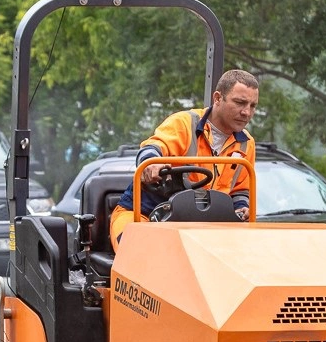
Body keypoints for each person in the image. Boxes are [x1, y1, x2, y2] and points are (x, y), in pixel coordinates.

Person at [109, 69, 259, 247]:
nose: (246, 112)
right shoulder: (184, 123)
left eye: (252, 106)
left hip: (202, 227)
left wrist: (241, 208)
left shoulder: (246, 144)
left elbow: (240, 190)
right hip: (145, 214)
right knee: (137, 252)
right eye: (240, 103)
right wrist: (151, 166)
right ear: (218, 98)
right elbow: (152, 148)